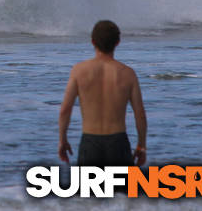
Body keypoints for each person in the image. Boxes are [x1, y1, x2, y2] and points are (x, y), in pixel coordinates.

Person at [58, 20, 147, 167]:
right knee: (122, 190)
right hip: (118, 143)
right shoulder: (128, 74)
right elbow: (140, 114)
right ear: (117, 42)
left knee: (90, 190)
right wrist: (141, 145)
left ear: (93, 42)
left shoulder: (79, 71)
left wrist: (63, 140)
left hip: (90, 142)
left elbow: (65, 110)